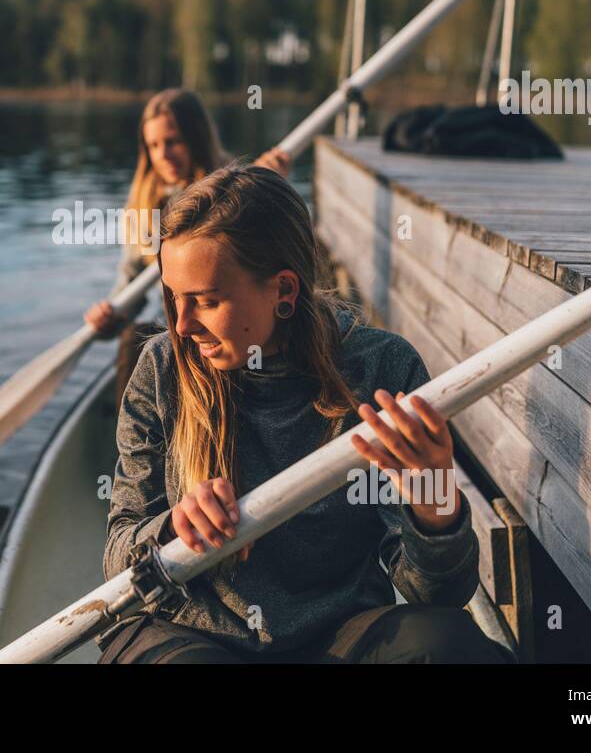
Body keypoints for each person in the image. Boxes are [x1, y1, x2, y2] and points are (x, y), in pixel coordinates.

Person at [96, 163, 513, 664]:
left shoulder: (382, 368)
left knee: (450, 647)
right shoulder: (161, 369)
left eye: (206, 301)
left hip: (337, 637)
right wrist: (171, 529)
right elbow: (119, 553)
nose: (182, 326)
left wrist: (435, 503)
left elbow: (438, 595)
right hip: (189, 635)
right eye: (173, 298)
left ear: (285, 292)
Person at [82, 88, 291, 407]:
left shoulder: (237, 192)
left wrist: (267, 192)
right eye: (153, 145)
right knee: (134, 341)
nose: (163, 154)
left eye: (173, 141)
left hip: (224, 332)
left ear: (196, 138)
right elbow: (131, 287)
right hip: (176, 329)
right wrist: (110, 317)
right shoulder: (143, 207)